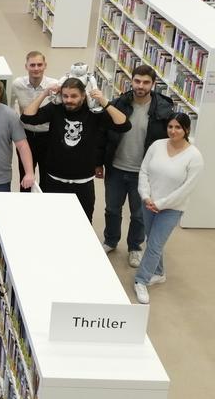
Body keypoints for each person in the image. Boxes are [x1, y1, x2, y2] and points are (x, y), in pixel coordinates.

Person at [21, 78, 130, 222]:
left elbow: (124, 125)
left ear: (83, 96)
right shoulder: (56, 109)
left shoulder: (93, 112)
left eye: (74, 96)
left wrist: (104, 101)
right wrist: (45, 93)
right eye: (65, 96)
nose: (68, 100)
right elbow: (27, 117)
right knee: (51, 223)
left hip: (83, 184)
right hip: (54, 182)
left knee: (83, 225)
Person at [102, 65, 174, 267]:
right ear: (131, 81)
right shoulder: (118, 104)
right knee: (112, 209)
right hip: (116, 167)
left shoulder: (163, 110)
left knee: (139, 214)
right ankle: (110, 240)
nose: (140, 86)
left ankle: (134, 247)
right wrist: (99, 162)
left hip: (144, 173)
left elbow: (168, 140)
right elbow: (105, 135)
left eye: (146, 82)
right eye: (137, 81)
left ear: (153, 84)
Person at [133, 113, 204, 304]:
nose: (173, 131)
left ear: (187, 130)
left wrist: (161, 203)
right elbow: (144, 170)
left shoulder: (194, 157)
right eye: (170, 126)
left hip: (171, 208)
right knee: (152, 240)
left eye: (178, 127)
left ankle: (141, 280)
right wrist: (146, 196)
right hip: (148, 202)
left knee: (155, 244)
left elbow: (186, 189)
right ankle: (159, 272)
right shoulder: (157, 145)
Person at [10, 51, 57, 193]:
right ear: (26, 66)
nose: (36, 68)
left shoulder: (54, 85)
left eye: (39, 65)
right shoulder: (17, 84)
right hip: (26, 137)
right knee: (25, 176)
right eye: (32, 65)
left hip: (48, 136)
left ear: (45, 66)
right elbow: (11, 106)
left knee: (47, 178)